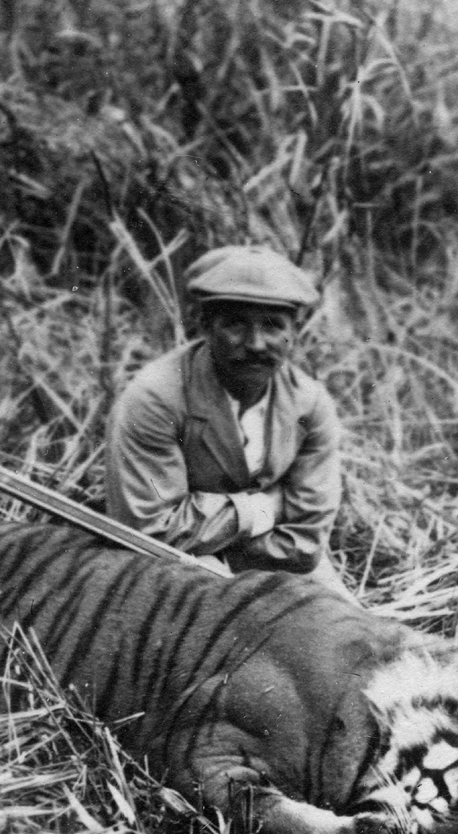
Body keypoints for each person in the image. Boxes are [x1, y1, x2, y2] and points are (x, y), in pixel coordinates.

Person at [104, 245, 352, 596]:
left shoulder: (309, 404)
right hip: (175, 563)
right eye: (236, 324)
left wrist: (219, 533)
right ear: (204, 325)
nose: (255, 343)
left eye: (273, 326)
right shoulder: (156, 398)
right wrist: (268, 507)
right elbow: (151, 530)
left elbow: (305, 542)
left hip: (278, 562)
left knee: (356, 636)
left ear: (294, 331)